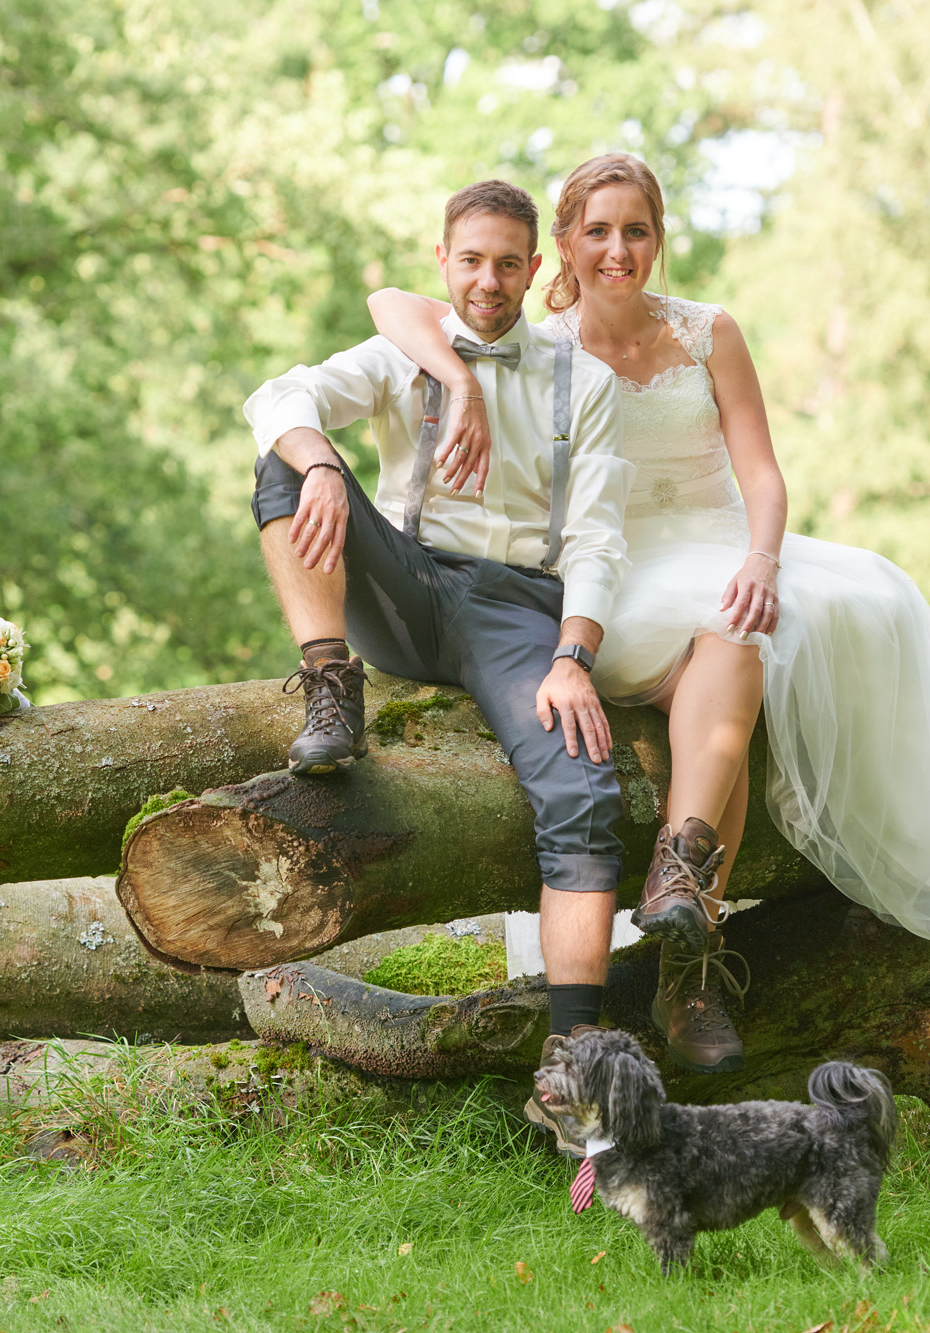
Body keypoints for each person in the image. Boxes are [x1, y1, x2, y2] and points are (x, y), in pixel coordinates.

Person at [368, 153, 930, 1078]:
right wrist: (458, 387)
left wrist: (763, 560)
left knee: (781, 616)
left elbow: (763, 473)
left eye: (638, 231)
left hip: (720, 541)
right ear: (561, 252)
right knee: (725, 643)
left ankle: (684, 897)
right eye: (598, 232)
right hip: (606, 567)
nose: (619, 250)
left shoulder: (707, 331)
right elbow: (396, 306)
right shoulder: (538, 344)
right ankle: (693, 959)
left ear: (659, 239)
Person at [242, 179, 637, 1152]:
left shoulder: (579, 380)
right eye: (470, 260)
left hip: (515, 611)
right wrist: (326, 463)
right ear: (442, 263)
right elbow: (277, 397)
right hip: (406, 590)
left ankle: (572, 1067)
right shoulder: (401, 358)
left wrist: (572, 655)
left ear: (534, 269)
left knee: (584, 792)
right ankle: (329, 686)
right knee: (287, 459)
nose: (489, 280)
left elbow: (595, 538)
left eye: (508, 261)